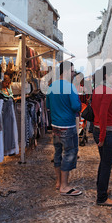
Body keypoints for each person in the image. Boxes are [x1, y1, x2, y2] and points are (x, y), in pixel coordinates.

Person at [46, 61, 82, 196]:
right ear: (66, 72)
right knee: (69, 153)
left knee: (57, 152)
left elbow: (48, 105)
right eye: (72, 71)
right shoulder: (70, 87)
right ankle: (64, 186)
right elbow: (76, 107)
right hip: (67, 125)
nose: (73, 74)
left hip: (55, 125)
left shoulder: (51, 86)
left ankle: (58, 182)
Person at [91, 62, 112, 206]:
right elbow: (102, 114)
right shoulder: (107, 91)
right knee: (106, 165)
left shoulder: (98, 89)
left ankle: (102, 190)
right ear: (107, 75)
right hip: (107, 132)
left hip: (99, 129)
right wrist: (102, 137)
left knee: (104, 163)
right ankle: (101, 197)